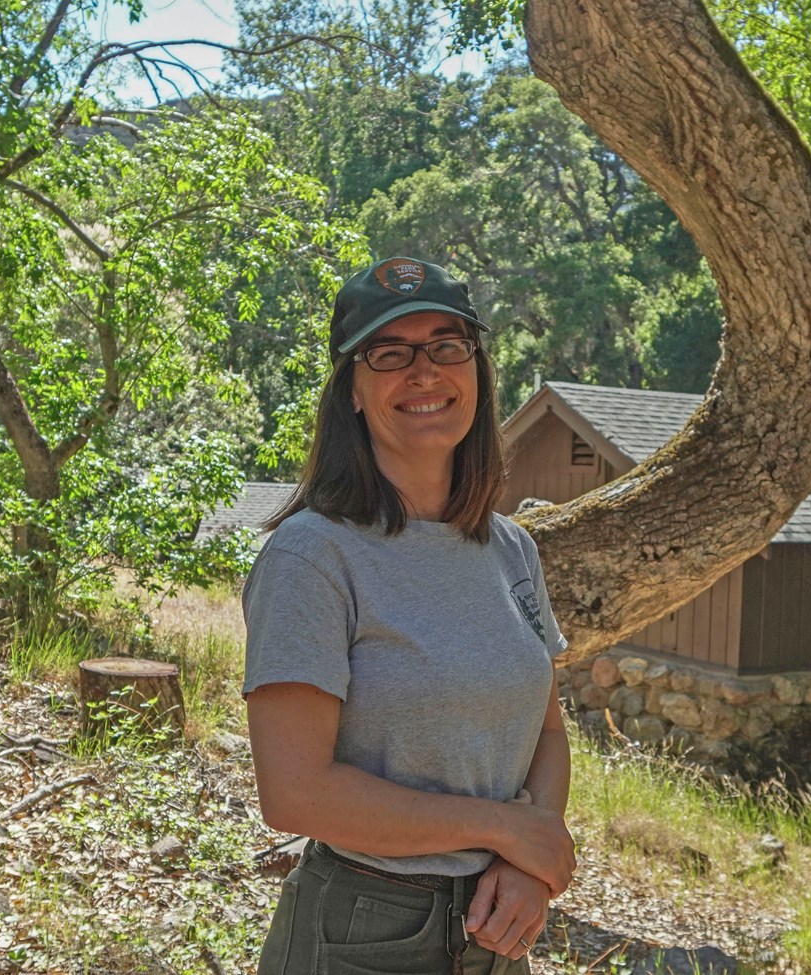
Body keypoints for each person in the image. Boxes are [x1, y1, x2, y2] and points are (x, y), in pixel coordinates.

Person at [242, 256, 575, 975]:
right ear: (353, 393)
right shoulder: (312, 555)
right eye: (390, 353)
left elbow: (547, 730)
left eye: (446, 346)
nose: (424, 372)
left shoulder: (511, 547)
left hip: (498, 927)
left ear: (477, 371)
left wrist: (527, 861)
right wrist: (508, 829)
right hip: (363, 928)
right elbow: (295, 790)